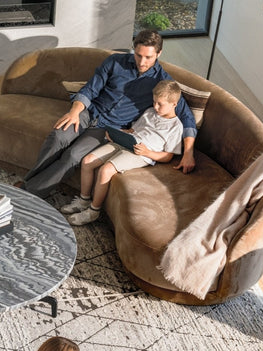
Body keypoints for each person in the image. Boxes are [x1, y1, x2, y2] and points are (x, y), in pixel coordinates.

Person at [19, 29, 197, 198]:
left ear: (159, 53)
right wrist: (75, 111)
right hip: (88, 113)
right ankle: (28, 181)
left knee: (73, 155)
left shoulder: (162, 82)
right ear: (133, 49)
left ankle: (29, 192)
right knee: (58, 137)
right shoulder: (115, 62)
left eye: (148, 57)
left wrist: (188, 153)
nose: (142, 62)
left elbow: (186, 116)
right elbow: (90, 89)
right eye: (138, 55)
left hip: (109, 128)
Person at [61, 80, 184, 226]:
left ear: (174, 104)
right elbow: (132, 130)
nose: (155, 107)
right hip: (126, 142)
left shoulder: (176, 126)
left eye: (160, 104)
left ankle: (93, 211)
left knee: (106, 170)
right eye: (154, 102)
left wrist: (147, 152)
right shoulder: (149, 112)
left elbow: (168, 156)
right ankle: (84, 200)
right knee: (87, 161)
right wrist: (118, 133)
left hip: (141, 154)